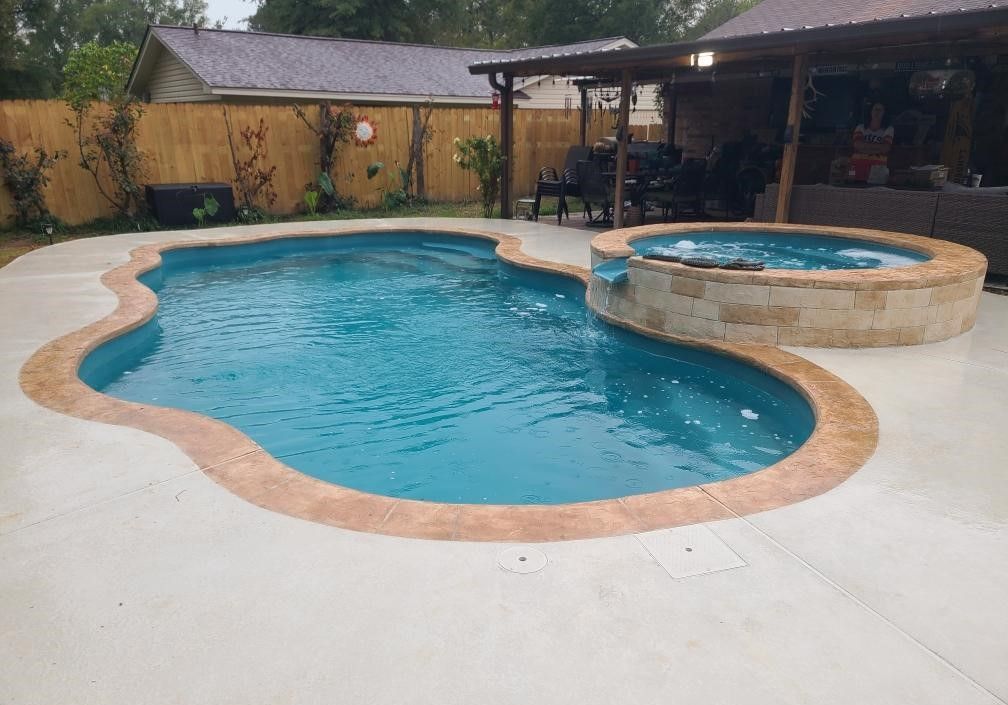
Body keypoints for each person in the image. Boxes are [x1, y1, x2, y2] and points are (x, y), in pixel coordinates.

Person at [849, 102, 894, 182]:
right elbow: (857, 145)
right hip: (856, 166)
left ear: (884, 113)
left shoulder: (889, 129)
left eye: (880, 110)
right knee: (852, 187)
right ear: (870, 111)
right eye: (875, 109)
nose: (877, 112)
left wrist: (864, 147)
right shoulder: (860, 127)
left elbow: (885, 148)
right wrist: (877, 149)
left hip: (878, 168)